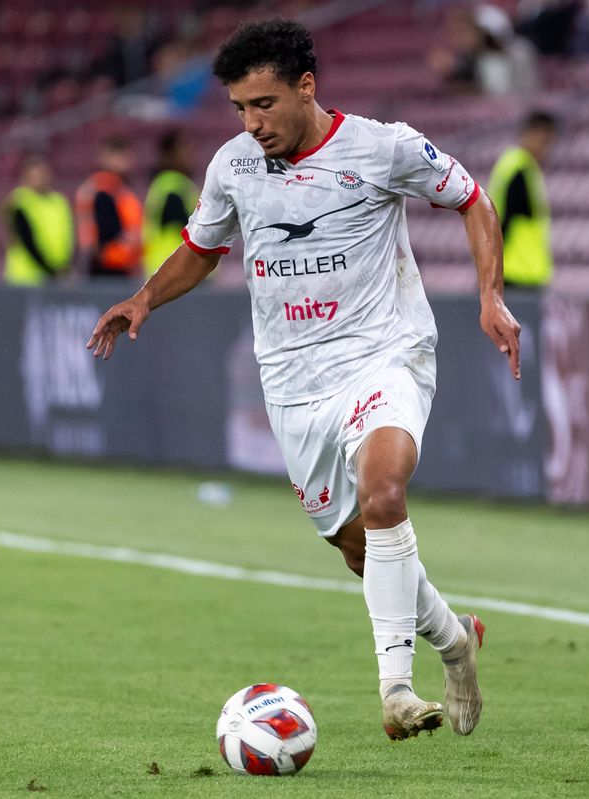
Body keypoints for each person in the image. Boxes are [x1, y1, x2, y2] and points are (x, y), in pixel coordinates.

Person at [87, 18, 522, 741]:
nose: (252, 123)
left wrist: (491, 296)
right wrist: (144, 299)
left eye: (264, 104)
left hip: (385, 353)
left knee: (385, 492)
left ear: (306, 87)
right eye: (240, 108)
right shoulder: (233, 165)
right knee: (357, 547)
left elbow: (473, 199)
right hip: (293, 380)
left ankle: (396, 690)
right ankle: (455, 641)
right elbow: (202, 247)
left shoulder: (382, 148)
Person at [488, 111, 557, 290]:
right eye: (544, 141)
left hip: (519, 269)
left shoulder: (517, 165)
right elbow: (505, 219)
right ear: (531, 134)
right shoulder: (519, 169)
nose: (546, 149)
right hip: (517, 270)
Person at [75, 136, 144, 279]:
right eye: (118, 155)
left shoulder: (119, 188)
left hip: (122, 263)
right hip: (108, 264)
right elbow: (105, 230)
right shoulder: (103, 189)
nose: (123, 161)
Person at [1, 153, 75, 286]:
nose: (40, 179)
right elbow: (27, 241)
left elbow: (68, 236)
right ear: (25, 177)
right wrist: (51, 271)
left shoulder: (59, 201)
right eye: (35, 176)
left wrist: (65, 266)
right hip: (26, 277)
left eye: (42, 174)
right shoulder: (20, 202)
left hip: (55, 275)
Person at [142, 130, 199, 276]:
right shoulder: (172, 185)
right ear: (170, 154)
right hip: (175, 268)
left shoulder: (167, 183)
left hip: (168, 267)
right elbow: (189, 224)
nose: (188, 155)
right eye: (183, 149)